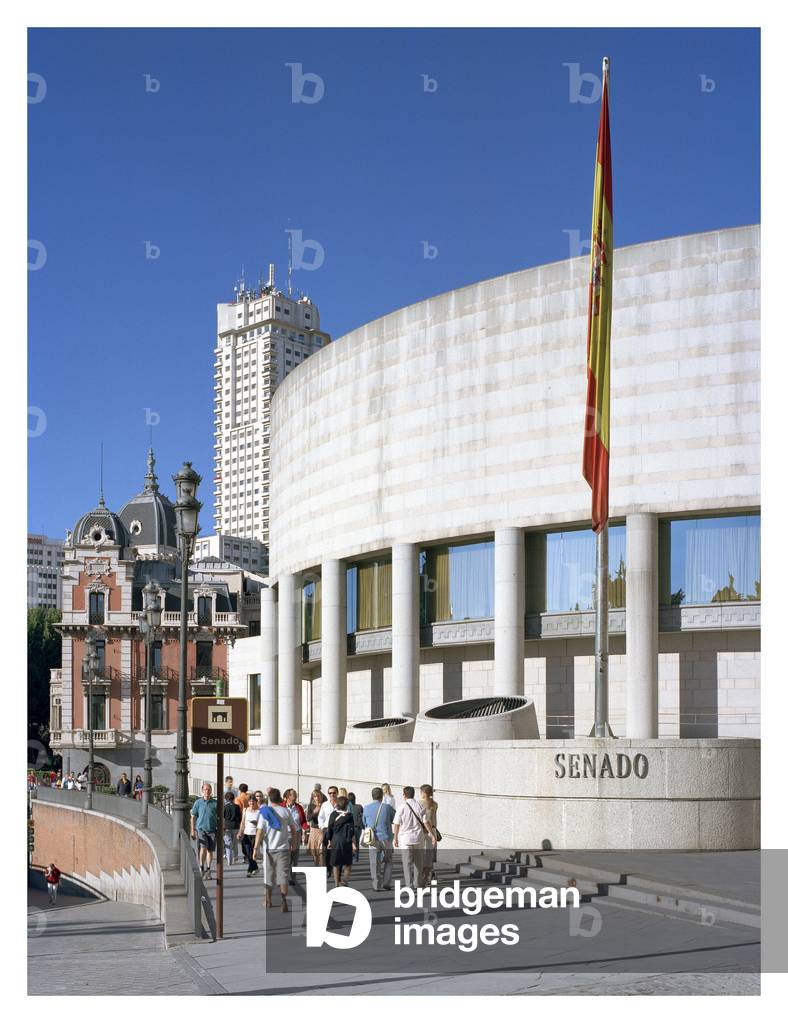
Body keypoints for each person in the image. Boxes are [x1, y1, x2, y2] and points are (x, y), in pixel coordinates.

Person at [254, 787, 295, 912]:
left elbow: (260, 832)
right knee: (283, 876)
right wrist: (293, 843)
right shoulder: (286, 811)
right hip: (283, 849)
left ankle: (268, 901)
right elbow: (293, 829)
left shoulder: (264, 812)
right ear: (280, 798)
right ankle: (284, 901)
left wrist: (255, 848)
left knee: (268, 876)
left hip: (269, 850)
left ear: (269, 798)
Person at [393, 785, 435, 888]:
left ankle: (409, 884)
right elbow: (426, 822)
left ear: (404, 795)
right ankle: (417, 883)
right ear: (413, 794)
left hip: (405, 839)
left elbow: (396, 824)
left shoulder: (401, 808)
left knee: (407, 864)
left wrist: (395, 838)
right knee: (418, 863)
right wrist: (432, 834)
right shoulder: (420, 807)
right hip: (418, 839)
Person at [362, 787, 396, 890]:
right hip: (386, 838)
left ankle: (376, 885)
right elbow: (395, 819)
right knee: (388, 861)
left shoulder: (366, 808)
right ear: (382, 796)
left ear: (372, 796)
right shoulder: (387, 807)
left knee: (374, 863)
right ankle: (386, 883)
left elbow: (364, 823)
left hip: (372, 839)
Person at [326, 795, 357, 887]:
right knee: (348, 863)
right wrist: (354, 844)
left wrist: (329, 841)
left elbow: (329, 828)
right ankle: (345, 880)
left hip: (335, 840)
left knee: (336, 863)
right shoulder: (349, 816)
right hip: (346, 840)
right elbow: (352, 831)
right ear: (346, 805)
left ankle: (336, 883)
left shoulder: (333, 814)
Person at [190, 782, 218, 880]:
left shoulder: (215, 803)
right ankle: (201, 867)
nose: (207, 791)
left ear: (211, 791)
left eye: (209, 790)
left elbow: (220, 817)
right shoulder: (198, 803)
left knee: (210, 850)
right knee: (203, 848)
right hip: (201, 830)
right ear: (202, 791)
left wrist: (222, 829)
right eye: (205, 789)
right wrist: (192, 831)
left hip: (212, 830)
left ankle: (208, 869)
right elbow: (193, 817)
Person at [283, 789, 307, 880]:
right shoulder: (282, 806)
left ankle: (293, 877)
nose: (296, 796)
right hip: (284, 834)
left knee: (294, 856)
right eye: (293, 794)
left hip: (296, 834)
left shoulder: (299, 807)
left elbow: (303, 820)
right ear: (288, 796)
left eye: (296, 794)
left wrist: (305, 829)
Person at [418, 783, 439, 885]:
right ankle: (428, 877)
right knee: (429, 855)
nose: (420, 793)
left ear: (424, 792)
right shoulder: (435, 804)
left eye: (421, 791)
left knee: (420, 854)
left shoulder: (419, 803)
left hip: (422, 830)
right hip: (432, 830)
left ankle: (421, 876)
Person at [317, 785, 339, 873]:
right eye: (330, 793)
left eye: (334, 793)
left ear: (337, 793)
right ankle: (328, 869)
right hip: (326, 830)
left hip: (337, 830)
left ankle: (335, 868)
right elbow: (320, 817)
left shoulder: (341, 804)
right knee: (326, 850)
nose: (332, 795)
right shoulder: (325, 804)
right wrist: (322, 827)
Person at [238, 794, 261, 875]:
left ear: (256, 802)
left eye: (253, 801)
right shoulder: (245, 810)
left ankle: (250, 870)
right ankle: (256, 867)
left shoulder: (259, 811)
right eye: (250, 801)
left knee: (252, 852)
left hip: (255, 834)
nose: (251, 803)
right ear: (248, 802)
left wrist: (256, 823)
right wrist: (240, 832)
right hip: (246, 833)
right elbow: (242, 822)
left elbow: (261, 824)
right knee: (247, 852)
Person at [306, 789, 325, 865]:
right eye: (315, 796)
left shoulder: (324, 805)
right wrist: (314, 812)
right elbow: (308, 818)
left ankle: (322, 867)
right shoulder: (310, 806)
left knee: (321, 852)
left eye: (318, 796)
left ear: (321, 796)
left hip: (322, 830)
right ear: (313, 797)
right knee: (315, 853)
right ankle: (316, 865)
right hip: (314, 830)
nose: (317, 798)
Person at [223, 790, 241, 865]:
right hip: (236, 826)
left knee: (228, 843)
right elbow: (240, 817)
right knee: (235, 843)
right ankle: (235, 858)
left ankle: (229, 860)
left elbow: (223, 817)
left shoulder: (225, 807)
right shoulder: (237, 806)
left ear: (226, 799)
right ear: (233, 798)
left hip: (227, 827)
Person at [348, 792, 363, 864]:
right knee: (357, 842)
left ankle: (351, 857)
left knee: (350, 843)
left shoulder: (347, 807)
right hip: (358, 827)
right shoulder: (359, 806)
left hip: (350, 827)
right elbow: (362, 816)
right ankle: (356, 858)